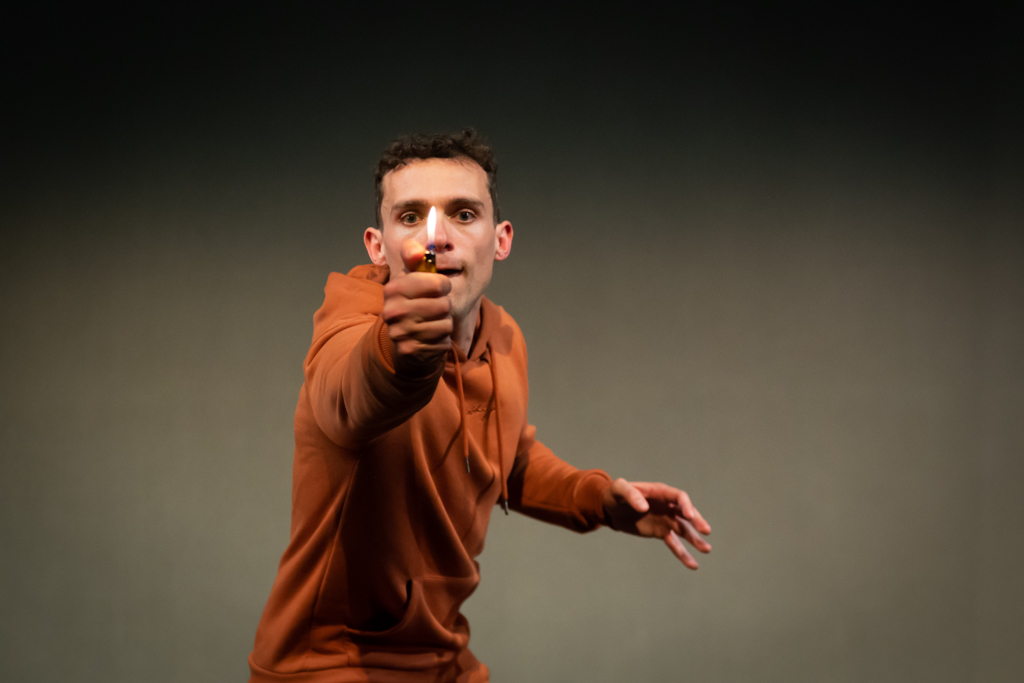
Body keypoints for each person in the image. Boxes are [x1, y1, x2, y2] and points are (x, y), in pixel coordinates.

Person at [248, 129, 712, 683]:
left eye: (463, 215)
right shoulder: (350, 325)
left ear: (501, 239)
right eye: (411, 217)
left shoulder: (504, 337)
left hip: (443, 656)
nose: (435, 237)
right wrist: (407, 353)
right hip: (329, 662)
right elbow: (348, 398)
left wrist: (599, 499)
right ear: (377, 247)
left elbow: (504, 458)